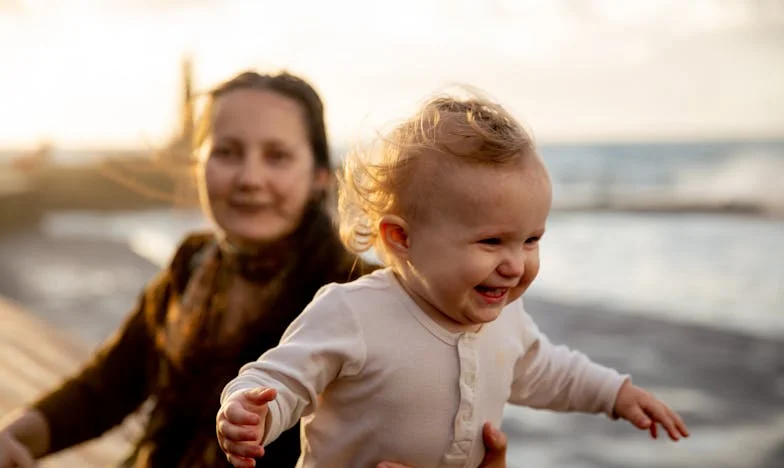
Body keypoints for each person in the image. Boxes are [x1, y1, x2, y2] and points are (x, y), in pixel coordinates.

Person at [0, 71, 509, 468]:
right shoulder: (192, 264)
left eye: (277, 156)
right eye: (227, 152)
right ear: (198, 165)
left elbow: (445, 424)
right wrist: (13, 437)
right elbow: (107, 388)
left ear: (317, 176)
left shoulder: (364, 292)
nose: (249, 178)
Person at [216, 92, 691, 468]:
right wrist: (251, 410)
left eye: (530, 240)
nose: (515, 264)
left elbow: (548, 370)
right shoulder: (353, 313)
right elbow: (282, 377)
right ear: (401, 238)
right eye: (491, 242)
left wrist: (615, 394)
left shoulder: (507, 321)